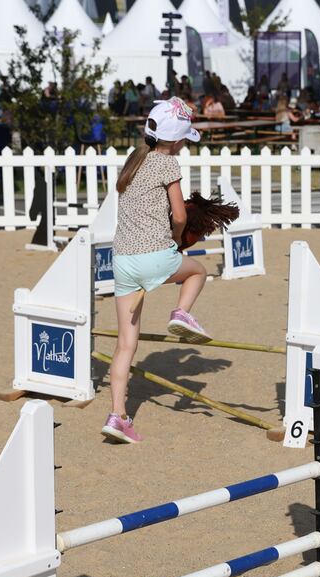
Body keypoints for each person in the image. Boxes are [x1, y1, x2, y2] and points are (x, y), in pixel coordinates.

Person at [102, 100, 211, 444]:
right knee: (198, 272)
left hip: (122, 260)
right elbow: (179, 216)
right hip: (153, 254)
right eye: (184, 139)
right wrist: (178, 240)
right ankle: (182, 313)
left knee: (125, 344)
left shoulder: (134, 160)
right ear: (176, 140)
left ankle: (117, 415)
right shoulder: (168, 163)